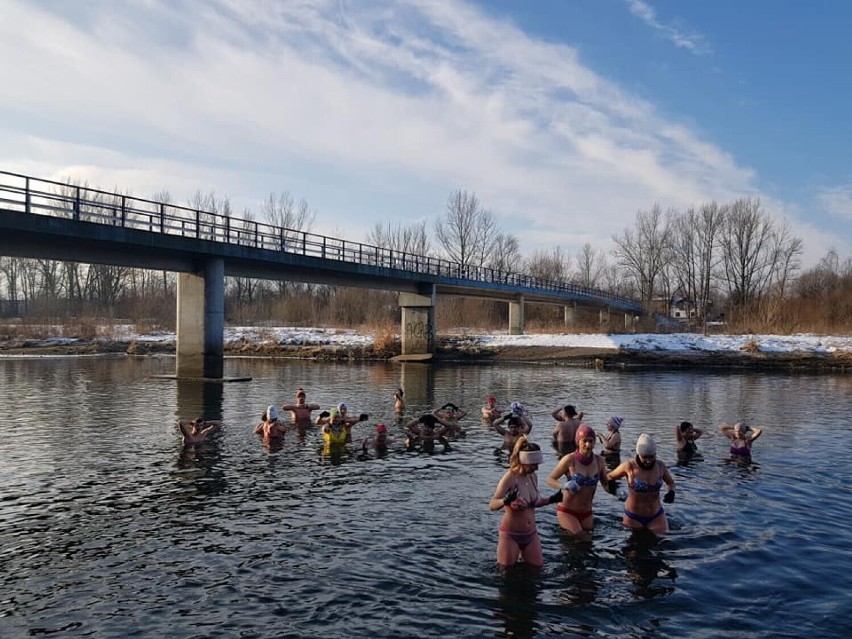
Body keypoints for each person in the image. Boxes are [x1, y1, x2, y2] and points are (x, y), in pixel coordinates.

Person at [488, 436, 562, 568]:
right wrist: (505, 501)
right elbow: (492, 505)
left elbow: (535, 502)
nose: (537, 468)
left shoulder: (533, 476)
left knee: (537, 570)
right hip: (511, 535)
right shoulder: (510, 478)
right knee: (506, 574)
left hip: (531, 534)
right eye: (534, 465)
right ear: (524, 461)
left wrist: (552, 499)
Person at [606, 434, 676, 534]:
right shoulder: (629, 466)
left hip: (656, 514)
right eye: (645, 457)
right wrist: (614, 489)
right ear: (639, 454)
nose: (648, 461)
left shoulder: (660, 466)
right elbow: (608, 477)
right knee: (633, 547)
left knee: (663, 542)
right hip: (633, 517)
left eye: (651, 457)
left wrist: (671, 492)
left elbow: (671, 483)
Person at [546, 424, 608, 536]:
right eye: (584, 441)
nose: (588, 445)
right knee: (581, 538)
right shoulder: (569, 459)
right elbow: (550, 479)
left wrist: (617, 492)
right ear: (578, 442)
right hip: (567, 511)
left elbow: (606, 485)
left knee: (588, 542)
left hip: (587, 513)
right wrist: (564, 485)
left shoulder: (599, 461)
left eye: (591, 441)